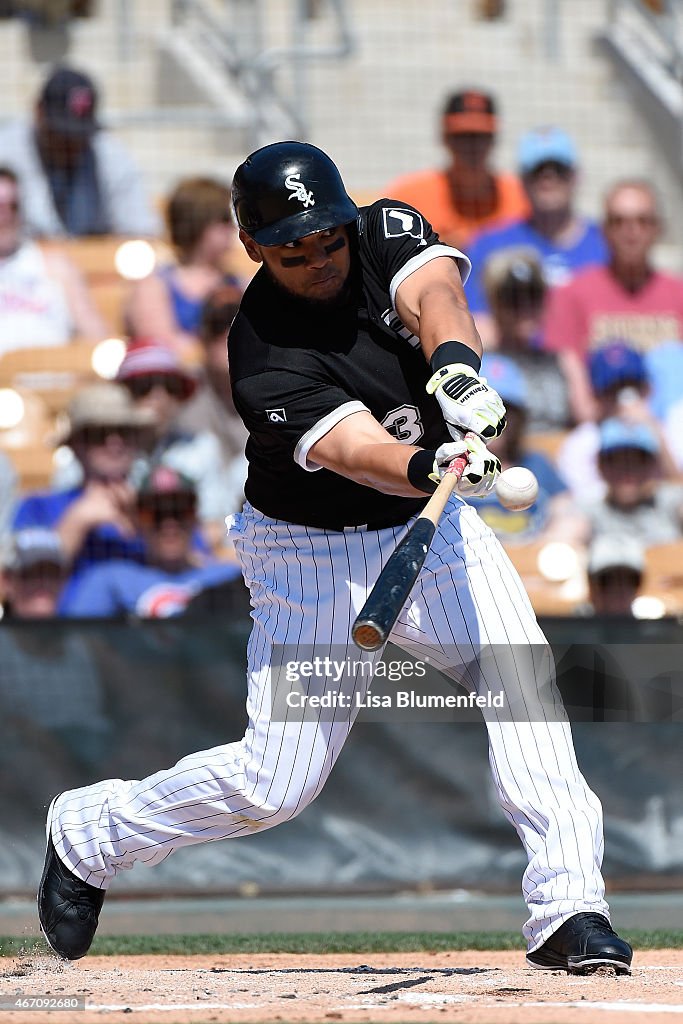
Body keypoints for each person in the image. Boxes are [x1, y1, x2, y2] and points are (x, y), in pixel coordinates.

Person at [38, 141, 632, 976]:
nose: (319, 260)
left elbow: (435, 295)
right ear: (253, 247)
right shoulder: (261, 352)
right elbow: (357, 450)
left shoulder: (380, 226)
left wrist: (456, 371)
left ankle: (569, 907)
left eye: (327, 240)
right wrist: (430, 466)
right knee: (275, 785)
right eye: (294, 249)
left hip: (431, 542)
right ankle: (90, 833)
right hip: (305, 553)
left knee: (523, 682)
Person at [543, 180, 683, 420]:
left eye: (642, 221)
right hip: (601, 428)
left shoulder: (677, 292)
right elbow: (573, 387)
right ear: (604, 230)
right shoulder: (571, 293)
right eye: (619, 222)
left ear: (657, 228)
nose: (631, 231)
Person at [464, 126, 607, 342]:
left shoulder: (606, 243)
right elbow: (475, 322)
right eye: (537, 170)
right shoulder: (489, 245)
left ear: (575, 176)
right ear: (521, 179)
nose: (548, 178)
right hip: (515, 365)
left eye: (558, 169)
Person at [12, 382, 155, 583]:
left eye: (124, 432)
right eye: (99, 434)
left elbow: (195, 577)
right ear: (75, 444)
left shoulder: (165, 505)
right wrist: (77, 522)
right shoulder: (36, 507)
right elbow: (21, 589)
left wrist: (147, 527)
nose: (114, 444)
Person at [58, 466, 242, 618]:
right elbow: (78, 646)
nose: (170, 525)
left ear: (195, 518)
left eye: (180, 512)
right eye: (156, 514)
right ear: (137, 520)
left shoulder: (229, 578)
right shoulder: (110, 581)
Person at [0, 66, 160, 238]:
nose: (71, 144)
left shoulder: (108, 152)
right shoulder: (7, 153)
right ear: (39, 112)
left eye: (79, 134)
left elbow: (141, 230)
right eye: (61, 133)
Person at [115, 337, 243, 533]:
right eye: (144, 387)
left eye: (170, 386)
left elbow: (213, 528)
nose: (159, 397)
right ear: (121, 394)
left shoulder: (201, 447)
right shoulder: (103, 449)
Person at [384, 89, 529, 250]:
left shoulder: (521, 196)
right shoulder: (408, 197)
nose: (472, 146)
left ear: (494, 139)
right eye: (462, 136)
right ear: (445, 137)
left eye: (481, 136)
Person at [474, 354, 584, 545]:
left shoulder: (537, 463)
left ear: (520, 418)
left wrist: (544, 544)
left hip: (531, 566)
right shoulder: (454, 465)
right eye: (484, 409)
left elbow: (570, 513)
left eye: (504, 411)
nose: (495, 419)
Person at [125, 177, 241, 354]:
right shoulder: (155, 286)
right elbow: (160, 346)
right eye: (224, 221)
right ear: (198, 223)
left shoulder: (239, 283)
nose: (233, 229)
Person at [0, 166, 108, 353]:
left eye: (13, 206)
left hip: (54, 376)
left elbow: (96, 336)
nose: (6, 216)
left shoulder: (54, 266)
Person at [558, 341, 679, 503]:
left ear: (649, 388)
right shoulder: (580, 443)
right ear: (596, 395)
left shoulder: (670, 430)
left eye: (634, 386)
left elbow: (678, 491)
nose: (625, 398)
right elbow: (584, 504)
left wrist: (654, 434)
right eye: (614, 389)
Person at [482, 248, 571, 431]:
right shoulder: (480, 363)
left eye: (533, 295)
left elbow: (587, 420)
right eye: (512, 297)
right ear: (494, 302)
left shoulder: (561, 361)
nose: (524, 307)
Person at [582, 418, 683, 545]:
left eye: (637, 462)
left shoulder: (671, 500)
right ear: (601, 467)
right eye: (616, 462)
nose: (627, 471)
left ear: (652, 466)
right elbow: (566, 533)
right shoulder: (589, 508)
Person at [0, 527, 68, 618]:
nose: (44, 583)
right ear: (6, 581)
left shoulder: (81, 631)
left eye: (52, 574)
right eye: (31, 574)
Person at [577, 534, 645, 618]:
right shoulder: (572, 628)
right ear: (591, 587)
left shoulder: (653, 628)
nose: (619, 590)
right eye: (606, 581)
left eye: (630, 581)